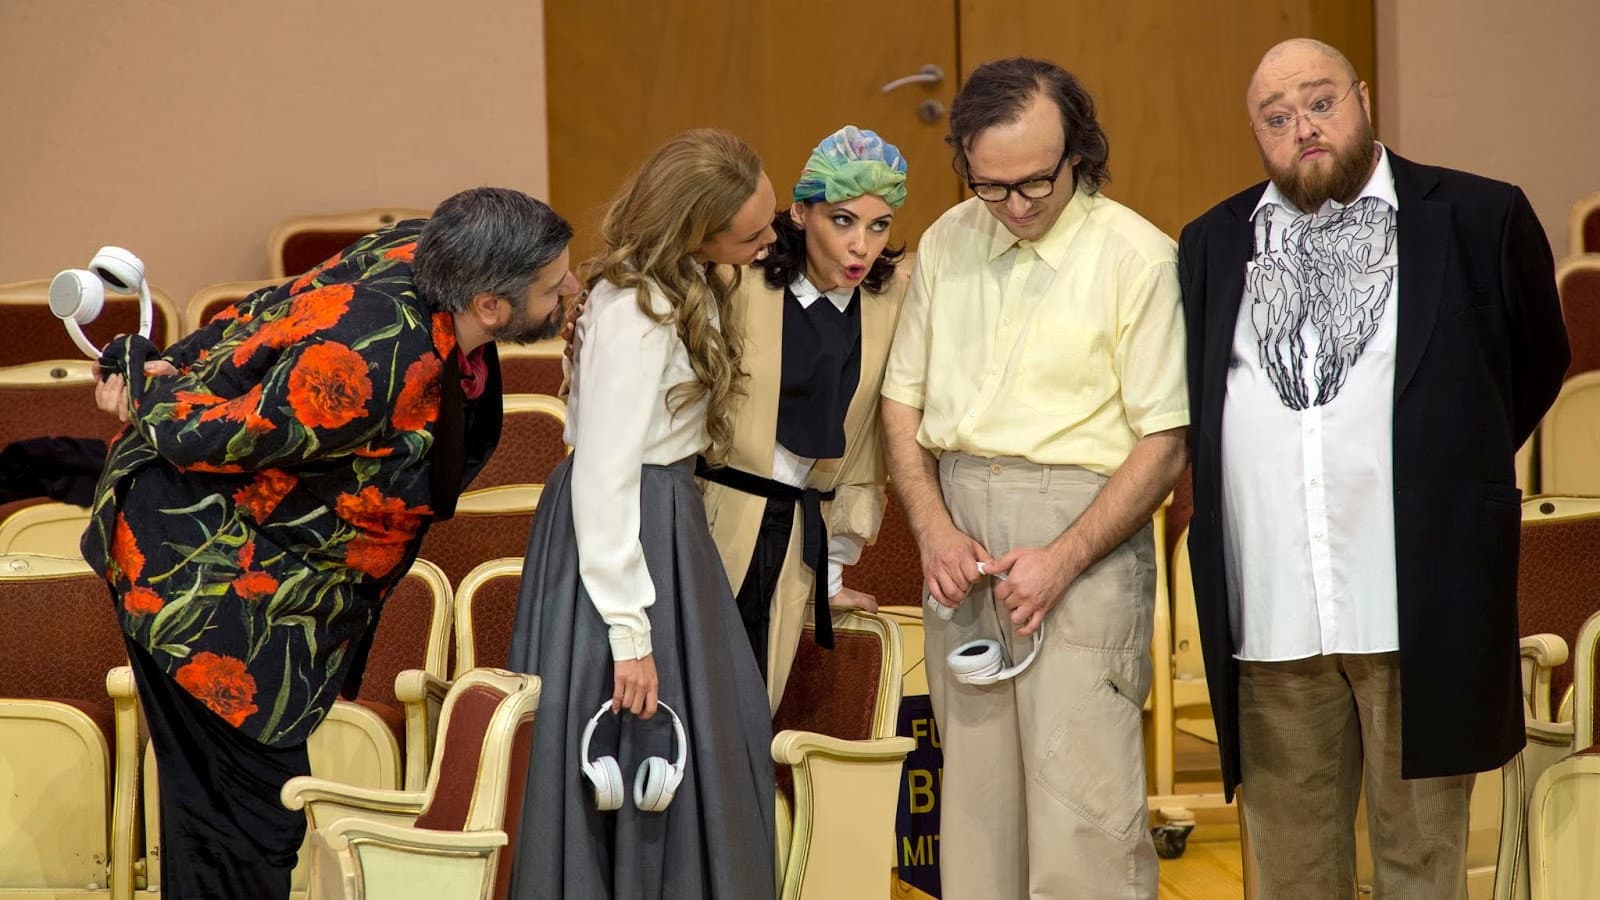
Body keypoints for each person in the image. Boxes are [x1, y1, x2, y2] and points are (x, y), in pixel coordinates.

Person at [80, 186, 578, 899]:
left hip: (267, 574)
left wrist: (169, 366)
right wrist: (146, 389)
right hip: (210, 589)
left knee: (226, 825)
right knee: (244, 832)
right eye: (554, 288)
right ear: (489, 306)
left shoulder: (426, 246)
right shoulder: (377, 361)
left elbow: (265, 313)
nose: (572, 292)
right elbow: (214, 436)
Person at [1178, 38, 1571, 898]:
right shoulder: (1212, 243)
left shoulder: (1477, 217)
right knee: (1287, 871)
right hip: (1274, 612)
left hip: (1415, 605)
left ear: (1362, 98)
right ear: (1256, 134)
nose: (1303, 129)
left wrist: (1444, 460)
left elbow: (1532, 367)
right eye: (1276, 119)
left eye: (1320, 103)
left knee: (1422, 865)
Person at [880, 57, 1189, 898]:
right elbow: (900, 408)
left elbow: (1165, 443)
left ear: (1079, 153)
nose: (1016, 206)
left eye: (1036, 184)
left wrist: (1063, 556)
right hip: (962, 533)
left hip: (1084, 536)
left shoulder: (1139, 258)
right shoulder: (949, 240)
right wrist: (933, 528)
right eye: (991, 187)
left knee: (1081, 821)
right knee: (975, 821)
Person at [506, 129, 778, 900]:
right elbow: (603, 472)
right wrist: (630, 635)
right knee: (634, 755)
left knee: (716, 741)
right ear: (695, 228)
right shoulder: (638, 309)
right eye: (750, 232)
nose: (767, 242)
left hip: (666, 528)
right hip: (626, 536)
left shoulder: (682, 284)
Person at [698, 124, 911, 708]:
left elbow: (864, 447)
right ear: (800, 212)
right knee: (697, 700)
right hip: (714, 523)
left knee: (752, 709)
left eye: (878, 225)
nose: (861, 246)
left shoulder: (890, 302)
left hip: (798, 537)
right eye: (842, 220)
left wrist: (832, 575)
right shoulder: (737, 282)